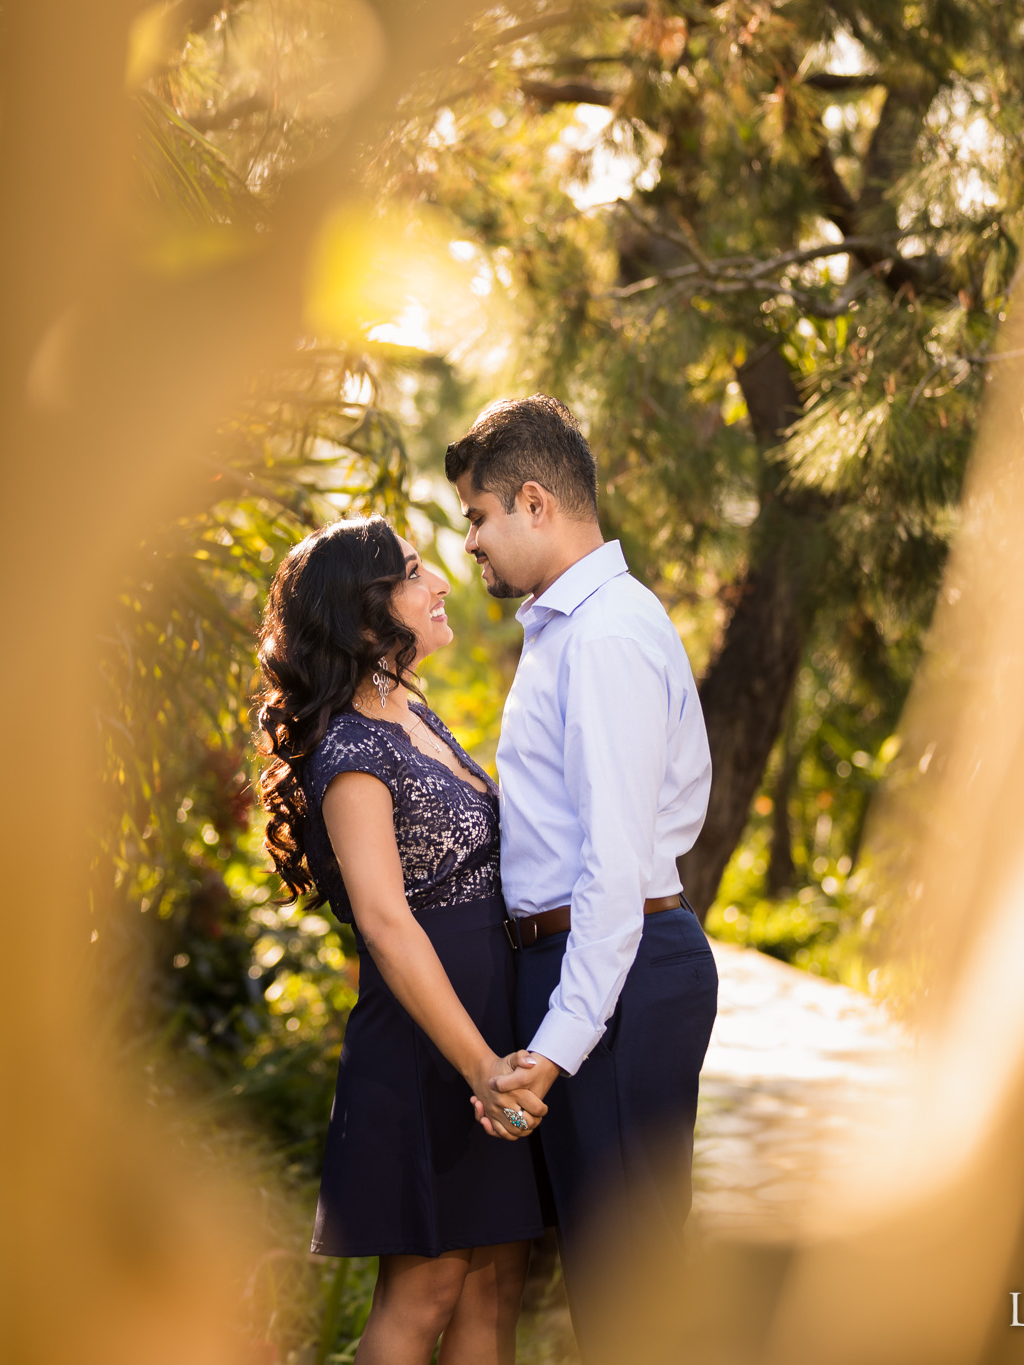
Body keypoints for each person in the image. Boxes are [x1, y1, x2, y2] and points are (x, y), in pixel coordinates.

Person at [447, 396, 719, 1344]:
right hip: (595, 974)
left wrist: (556, 1048)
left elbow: (610, 868)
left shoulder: (604, 635)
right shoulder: (564, 627)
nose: (470, 544)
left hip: (617, 977)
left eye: (477, 518)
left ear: (534, 502)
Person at [254, 516, 548, 1365]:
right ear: (365, 609)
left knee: (493, 1289)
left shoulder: (411, 711)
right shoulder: (350, 747)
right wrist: (480, 1069)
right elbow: (385, 921)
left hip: (486, 1030)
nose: (441, 583)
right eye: (415, 572)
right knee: (425, 1296)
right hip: (433, 1050)